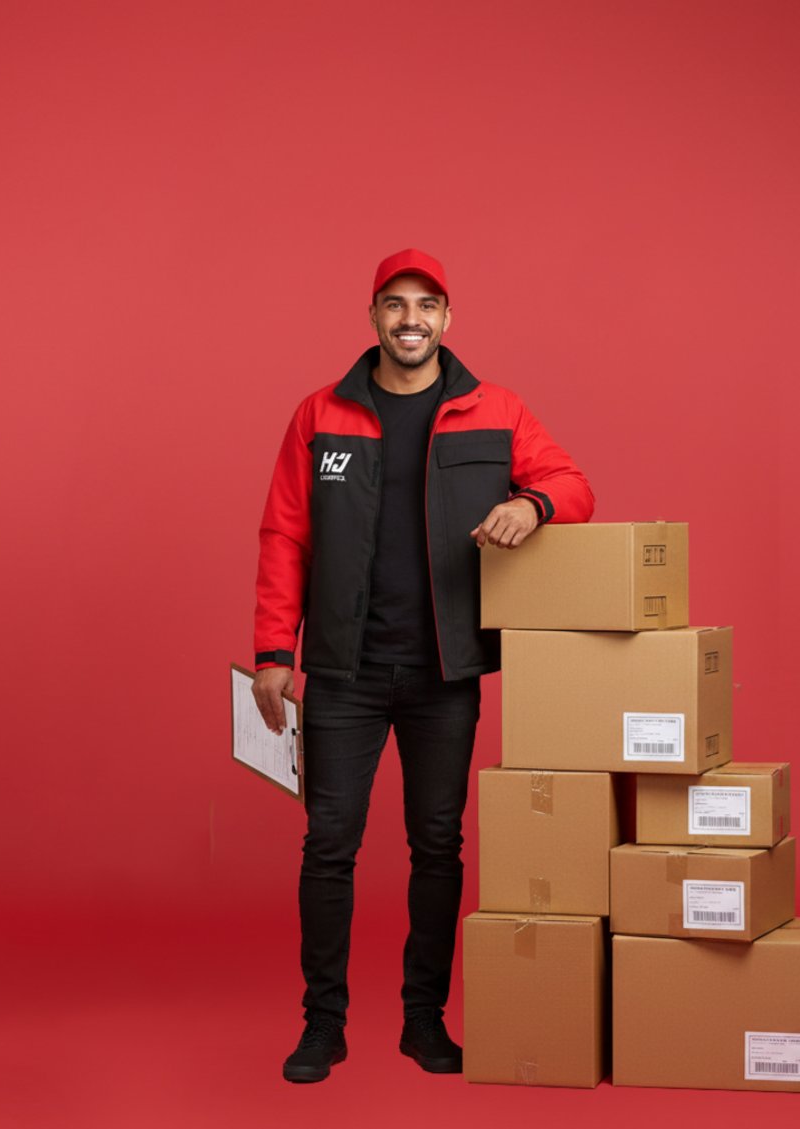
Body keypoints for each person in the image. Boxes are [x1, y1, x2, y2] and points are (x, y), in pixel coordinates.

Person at [249, 248, 594, 1083]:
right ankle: (322, 1025)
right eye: (395, 304)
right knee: (329, 845)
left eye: (427, 305)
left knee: (437, 846)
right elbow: (284, 534)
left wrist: (528, 503)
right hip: (342, 673)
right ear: (372, 317)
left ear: (448, 318)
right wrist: (271, 652)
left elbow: (574, 485)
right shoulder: (320, 414)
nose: (411, 319)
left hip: (446, 672)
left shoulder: (494, 408)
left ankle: (423, 1020)